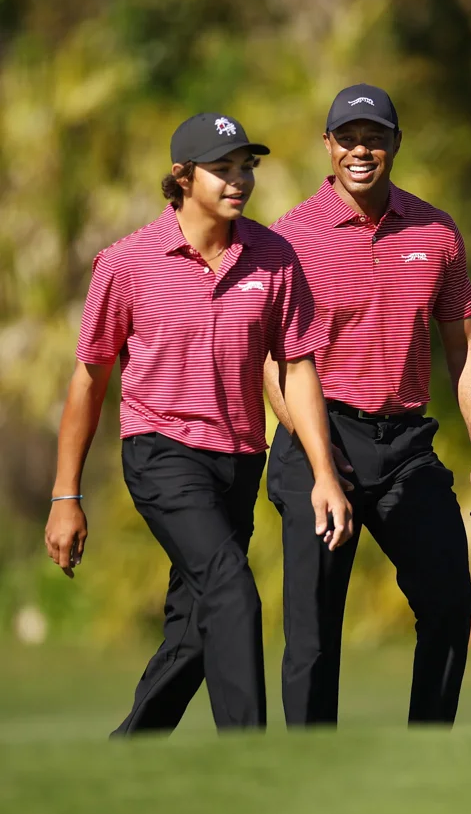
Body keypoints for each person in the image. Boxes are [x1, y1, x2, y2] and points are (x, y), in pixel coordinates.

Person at [44, 112, 352, 734]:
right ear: (182, 177)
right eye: (223, 169)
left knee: (195, 631)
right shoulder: (126, 263)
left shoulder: (275, 258)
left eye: (247, 168)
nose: (239, 181)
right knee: (233, 591)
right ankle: (251, 762)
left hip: (238, 460)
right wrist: (65, 495)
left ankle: (125, 753)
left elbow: (296, 368)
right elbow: (90, 379)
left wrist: (324, 472)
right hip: (161, 454)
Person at [265, 84, 471, 727]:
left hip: (405, 447)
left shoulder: (437, 230)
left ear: (396, 144)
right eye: (348, 138)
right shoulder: (289, 237)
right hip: (319, 436)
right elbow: (277, 364)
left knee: (450, 603)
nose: (361, 149)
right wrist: (320, 464)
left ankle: (427, 747)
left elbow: (466, 343)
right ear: (328, 146)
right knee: (314, 629)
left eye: (374, 137)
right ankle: (311, 773)